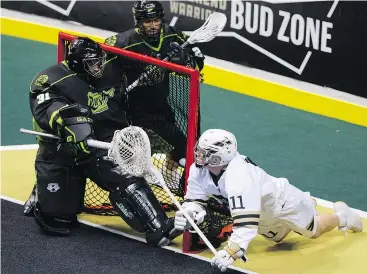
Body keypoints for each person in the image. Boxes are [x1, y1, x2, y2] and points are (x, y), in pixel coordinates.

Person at [23, 36, 181, 246]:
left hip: (102, 144)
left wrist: (171, 59)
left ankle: (158, 227)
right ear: (78, 63)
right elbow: (48, 108)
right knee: (57, 221)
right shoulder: (50, 79)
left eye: (100, 60)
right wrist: (72, 123)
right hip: (63, 150)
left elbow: (130, 48)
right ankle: (39, 192)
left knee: (122, 170)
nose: (99, 66)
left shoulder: (110, 67)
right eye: (92, 63)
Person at [174, 129, 364, 272]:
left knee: (313, 231)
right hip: (265, 214)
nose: (198, 154)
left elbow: (246, 223)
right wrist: (190, 212)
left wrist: (233, 251)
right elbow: (195, 199)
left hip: (283, 205)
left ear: (218, 157)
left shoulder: (239, 176)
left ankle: (342, 216)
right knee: (281, 240)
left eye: (204, 152)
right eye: (199, 150)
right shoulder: (199, 170)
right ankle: (308, 203)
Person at [104, 0, 205, 190]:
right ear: (138, 22)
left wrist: (184, 60)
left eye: (156, 20)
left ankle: (170, 178)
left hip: (161, 108)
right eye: (147, 21)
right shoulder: (122, 43)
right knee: (131, 157)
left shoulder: (172, 34)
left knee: (183, 148)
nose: (152, 26)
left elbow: (197, 64)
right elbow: (102, 73)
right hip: (129, 111)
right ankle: (129, 187)